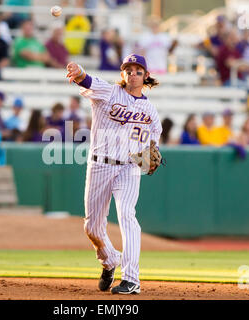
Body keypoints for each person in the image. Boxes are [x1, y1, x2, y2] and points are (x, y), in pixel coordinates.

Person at [66, 53, 162, 294]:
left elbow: (154, 142)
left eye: (138, 70)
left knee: (127, 216)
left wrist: (152, 153)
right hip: (99, 165)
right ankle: (109, 261)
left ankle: (131, 279)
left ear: (146, 76)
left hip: (128, 169)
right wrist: (78, 72)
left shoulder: (151, 111)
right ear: (123, 74)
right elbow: (87, 80)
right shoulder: (108, 92)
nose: (133, 73)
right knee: (92, 228)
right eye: (128, 70)